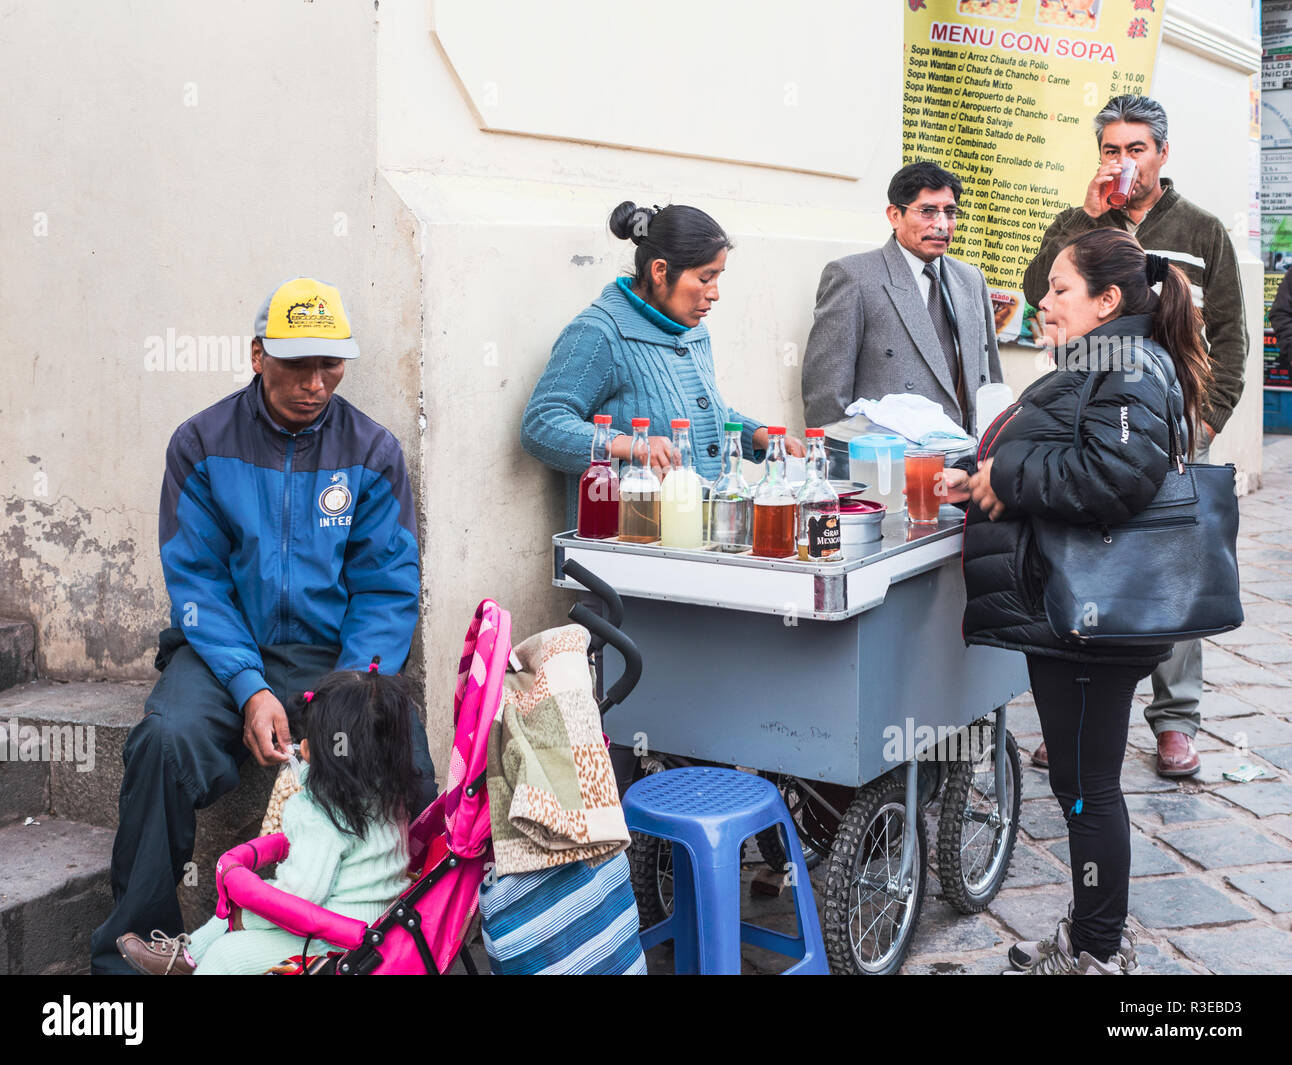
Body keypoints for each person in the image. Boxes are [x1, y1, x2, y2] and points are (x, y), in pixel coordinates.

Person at [90, 277, 436, 974]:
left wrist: (351, 689)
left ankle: (415, 933)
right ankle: (133, 957)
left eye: (330, 365)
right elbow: (198, 584)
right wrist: (249, 686)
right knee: (163, 740)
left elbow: (385, 589)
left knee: (403, 743)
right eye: (296, 364)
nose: (315, 382)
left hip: (329, 657)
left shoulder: (372, 451)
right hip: (221, 651)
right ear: (256, 356)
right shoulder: (200, 442)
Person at [943, 228, 1211, 974]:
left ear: (1107, 300)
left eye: (1060, 289)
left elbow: (1112, 479)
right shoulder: (1107, 359)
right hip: (1073, 615)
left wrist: (1006, 473)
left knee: (1088, 789)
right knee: (1080, 784)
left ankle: (1097, 950)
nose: (1045, 301)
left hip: (1093, 619)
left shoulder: (1123, 363)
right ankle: (1094, 934)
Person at [1022, 95, 1248, 778]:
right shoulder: (1083, 225)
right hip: (1093, 422)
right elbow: (1041, 294)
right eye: (1112, 150)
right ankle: (1086, 715)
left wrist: (1209, 415)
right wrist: (1083, 219)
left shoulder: (1204, 230)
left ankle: (1175, 720)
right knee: (1088, 556)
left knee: (1174, 564)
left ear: (1162, 154)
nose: (1123, 163)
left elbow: (1234, 332)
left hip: (1177, 428)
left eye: (1136, 149)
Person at [114, 668, 424, 974]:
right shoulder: (388, 792)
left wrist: (244, 917)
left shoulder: (324, 815)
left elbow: (300, 895)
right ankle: (190, 955)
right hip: (378, 924)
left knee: (227, 954)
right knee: (231, 921)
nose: (303, 743)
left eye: (311, 737)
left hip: (337, 941)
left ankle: (197, 960)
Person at [521, 201, 801, 527]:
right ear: (660, 271)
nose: (715, 294)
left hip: (700, 534)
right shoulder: (600, 332)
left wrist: (761, 437)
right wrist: (630, 445)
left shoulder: (693, 332)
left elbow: (700, 411)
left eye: (718, 278)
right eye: (705, 278)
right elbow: (542, 424)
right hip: (630, 541)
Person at [802, 160, 1004, 433]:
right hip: (889, 461)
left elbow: (990, 379)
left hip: (964, 460)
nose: (942, 225)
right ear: (894, 215)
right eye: (928, 212)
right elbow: (827, 394)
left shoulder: (970, 279)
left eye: (950, 212)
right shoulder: (854, 276)